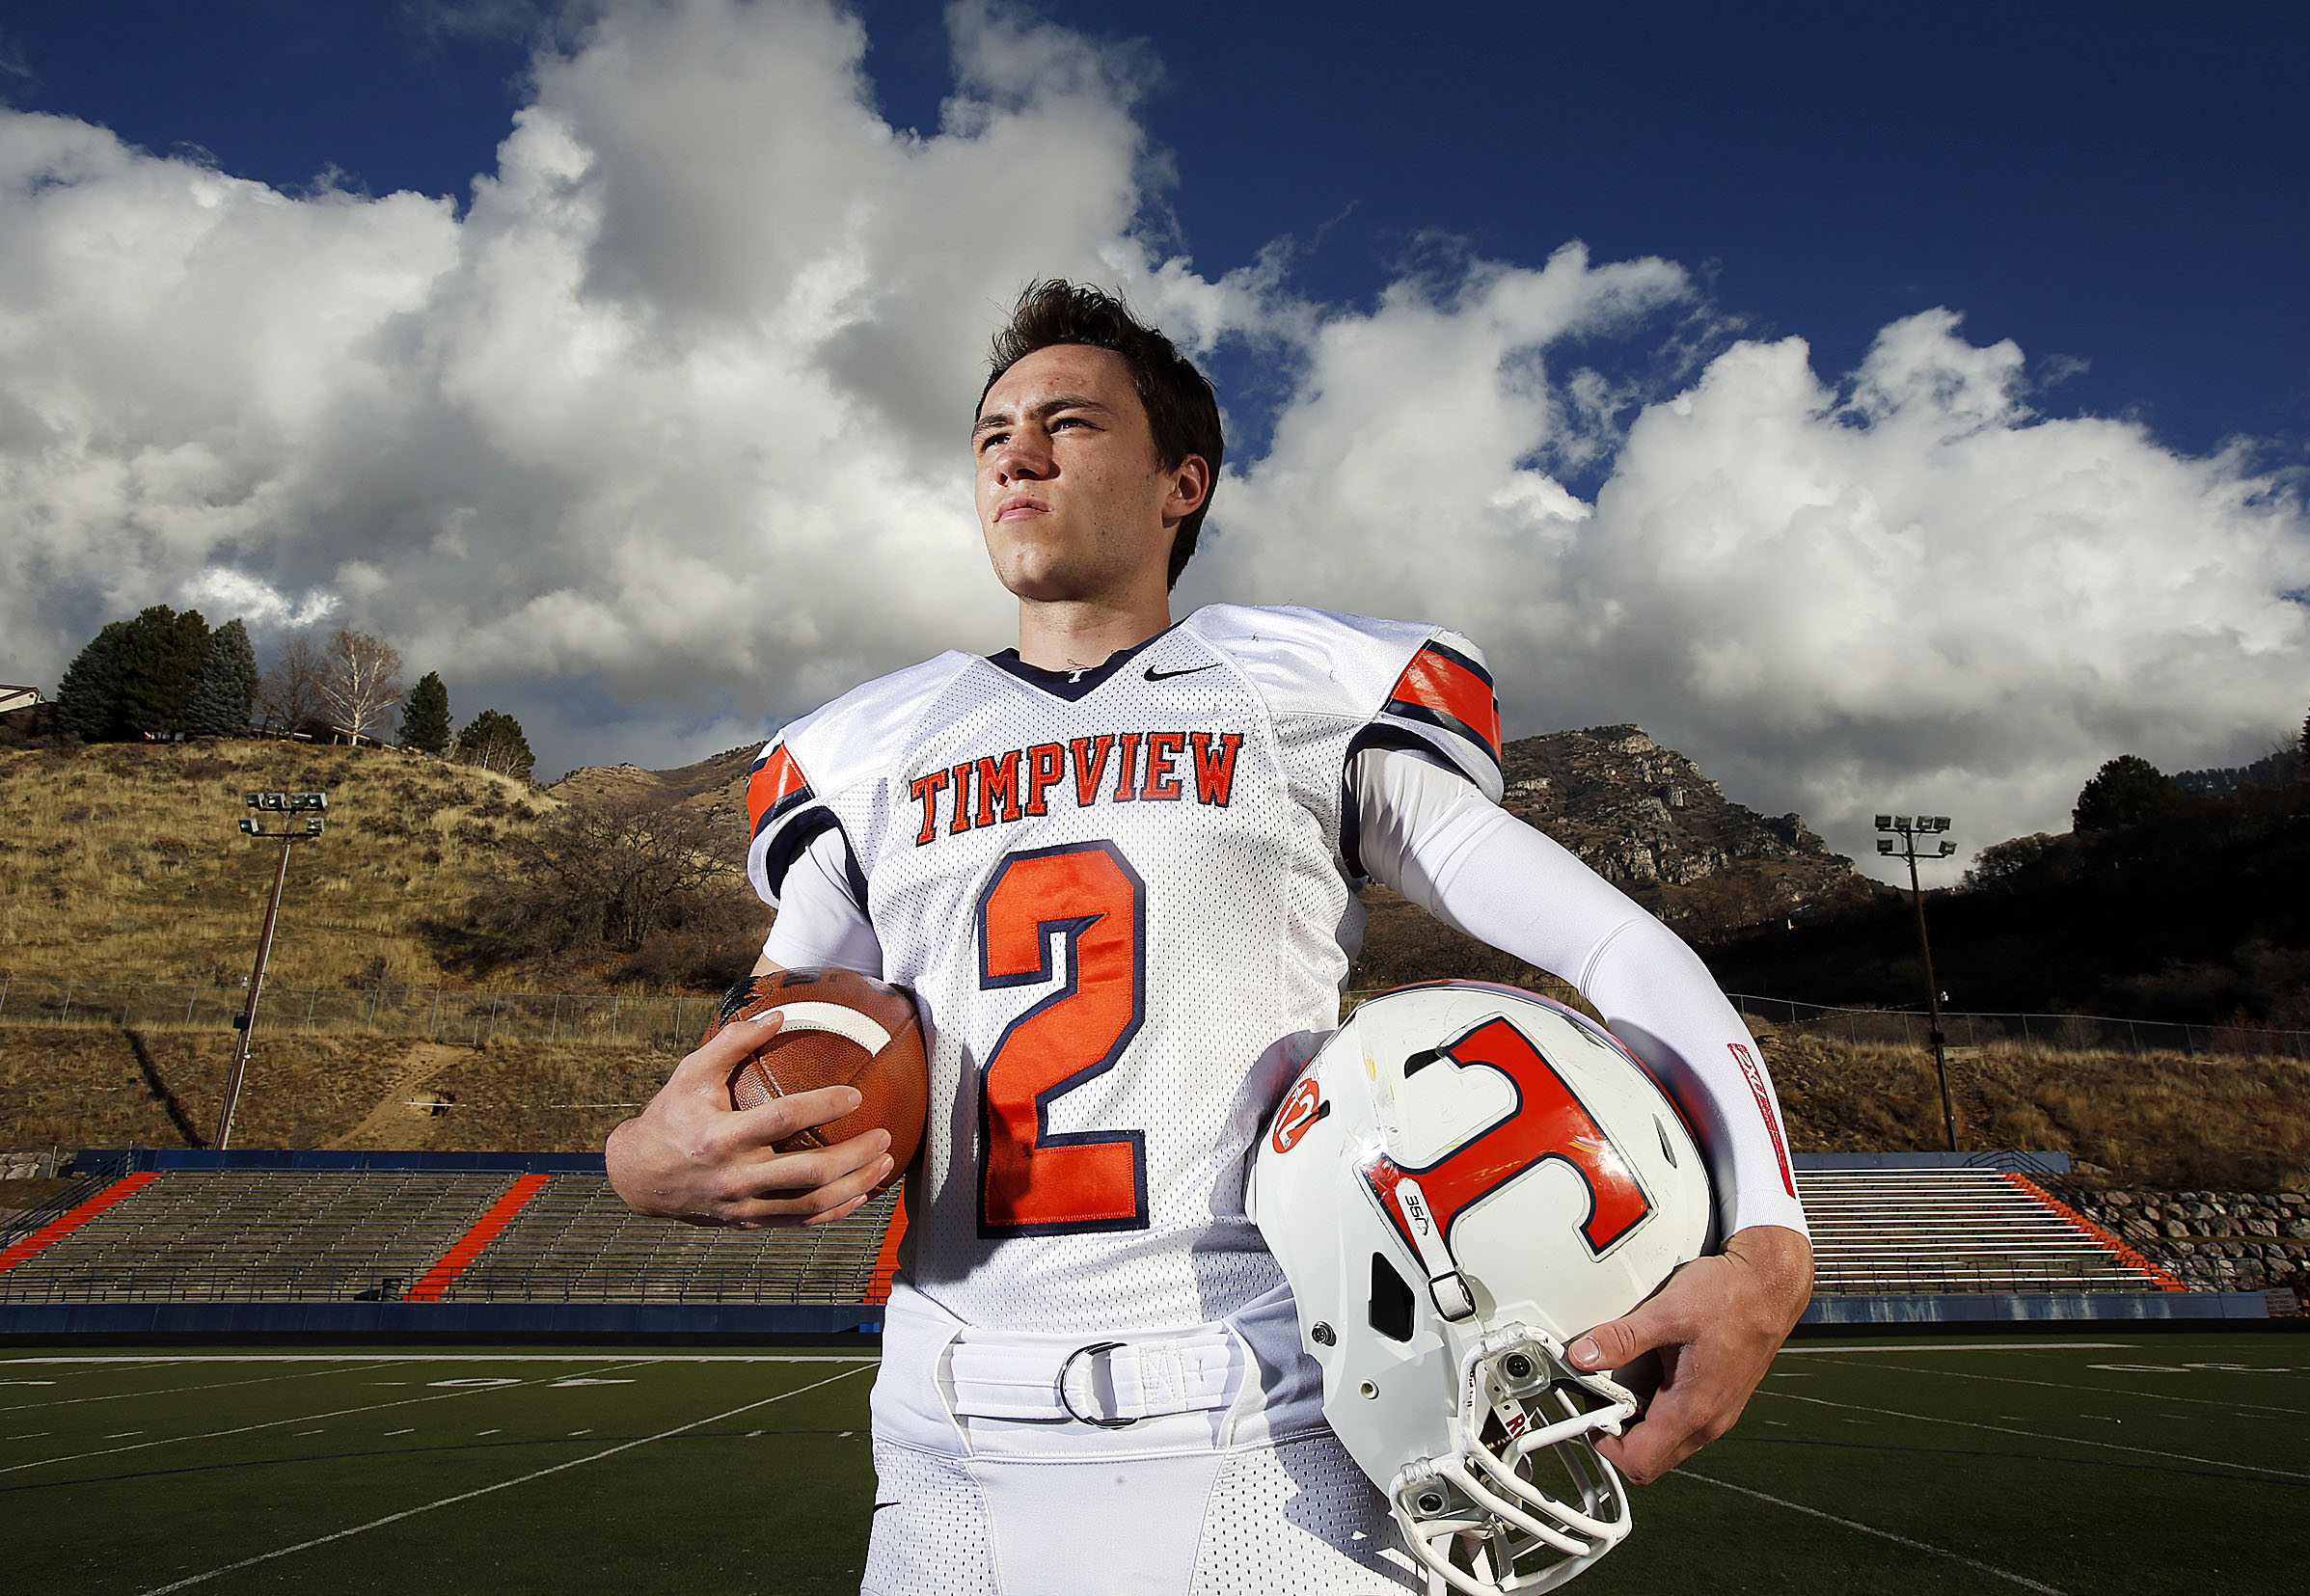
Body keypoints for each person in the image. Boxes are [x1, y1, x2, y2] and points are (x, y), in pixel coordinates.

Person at [608, 281, 1814, 1594]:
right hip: (946, 1444)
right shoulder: (867, 753)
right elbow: (755, 1053)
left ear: (1182, 483)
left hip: (1269, 1429)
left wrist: (1769, 1241)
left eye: (1070, 423)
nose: (1016, 453)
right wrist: (637, 1160)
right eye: (993, 431)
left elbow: (1616, 949)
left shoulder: (1298, 696)